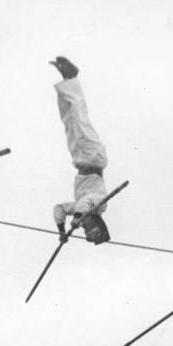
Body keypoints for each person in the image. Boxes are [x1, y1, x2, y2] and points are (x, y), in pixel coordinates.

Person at [50, 56, 111, 245]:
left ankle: (67, 80)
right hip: (94, 157)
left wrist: (61, 231)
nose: (84, 227)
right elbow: (85, 204)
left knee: (68, 120)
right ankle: (73, 78)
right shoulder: (100, 205)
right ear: (98, 223)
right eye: (89, 228)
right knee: (78, 116)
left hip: (80, 160)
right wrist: (76, 218)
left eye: (85, 231)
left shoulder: (80, 207)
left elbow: (59, 208)